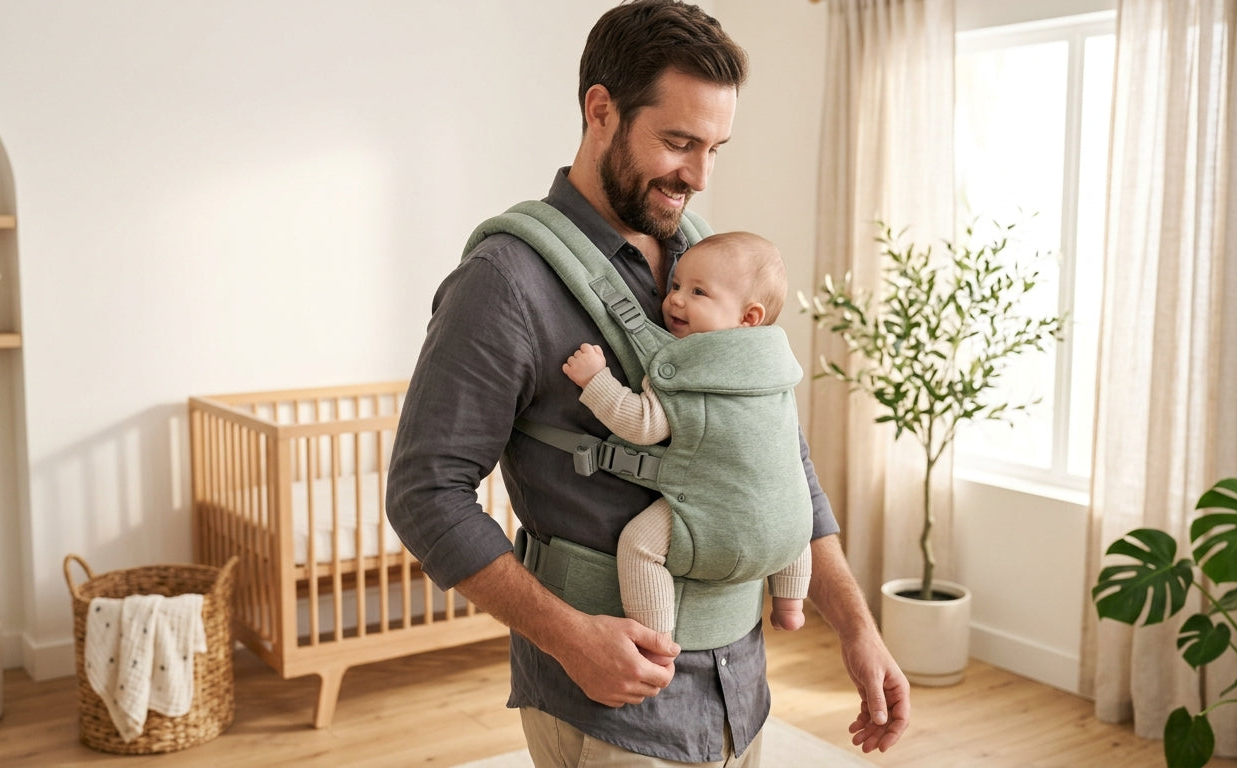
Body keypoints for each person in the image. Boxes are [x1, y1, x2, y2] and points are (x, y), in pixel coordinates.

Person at [386, 1, 910, 764]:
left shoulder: (712, 266)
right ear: (601, 110)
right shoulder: (504, 283)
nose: (697, 176)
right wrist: (571, 638)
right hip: (611, 704)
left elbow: (777, 455)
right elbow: (424, 491)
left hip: (743, 683)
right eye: (677, 142)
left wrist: (856, 627)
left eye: (715, 148)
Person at [560, 232, 812, 639]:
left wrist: (596, 381)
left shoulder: (689, 365)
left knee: (639, 547)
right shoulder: (777, 368)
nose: (676, 299)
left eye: (698, 292)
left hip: (714, 513)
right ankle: (790, 603)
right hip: (784, 519)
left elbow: (642, 424)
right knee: (793, 513)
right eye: (676, 285)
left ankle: (655, 633)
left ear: (749, 317)